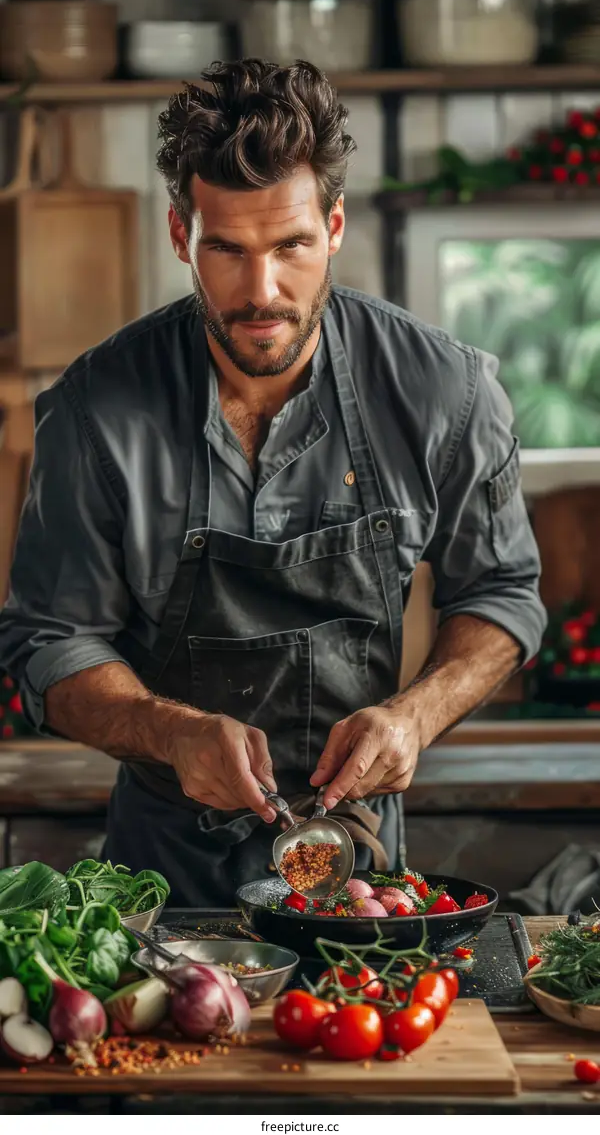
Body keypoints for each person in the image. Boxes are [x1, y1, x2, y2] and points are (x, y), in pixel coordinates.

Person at [0, 59, 546, 906]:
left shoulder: (447, 391)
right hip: (160, 882)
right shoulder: (93, 411)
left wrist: (415, 716)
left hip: (359, 874)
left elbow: (503, 592)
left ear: (334, 226)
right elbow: (49, 641)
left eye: (291, 246)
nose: (262, 293)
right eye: (227, 249)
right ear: (181, 235)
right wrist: (171, 732)